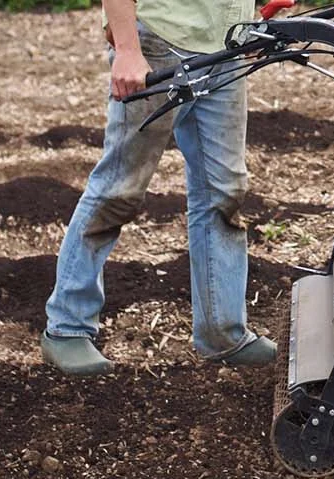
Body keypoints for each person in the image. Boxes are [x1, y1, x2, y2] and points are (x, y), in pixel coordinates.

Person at [40, 0, 277, 375]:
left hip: (227, 46)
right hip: (160, 42)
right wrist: (128, 49)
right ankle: (67, 328)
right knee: (119, 187)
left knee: (225, 192)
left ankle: (222, 334)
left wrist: (253, 15)